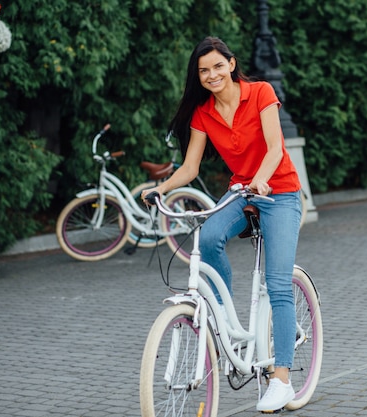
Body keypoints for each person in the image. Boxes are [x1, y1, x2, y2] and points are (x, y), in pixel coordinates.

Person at [141, 36, 302, 412]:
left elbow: (276, 149)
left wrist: (262, 179)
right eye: (203, 71)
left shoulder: (260, 92)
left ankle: (282, 381)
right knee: (209, 235)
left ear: (231, 64)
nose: (211, 75)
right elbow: (190, 168)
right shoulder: (203, 113)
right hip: (241, 192)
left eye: (217, 66)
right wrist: (159, 188)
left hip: (278, 192)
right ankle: (226, 318)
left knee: (278, 284)